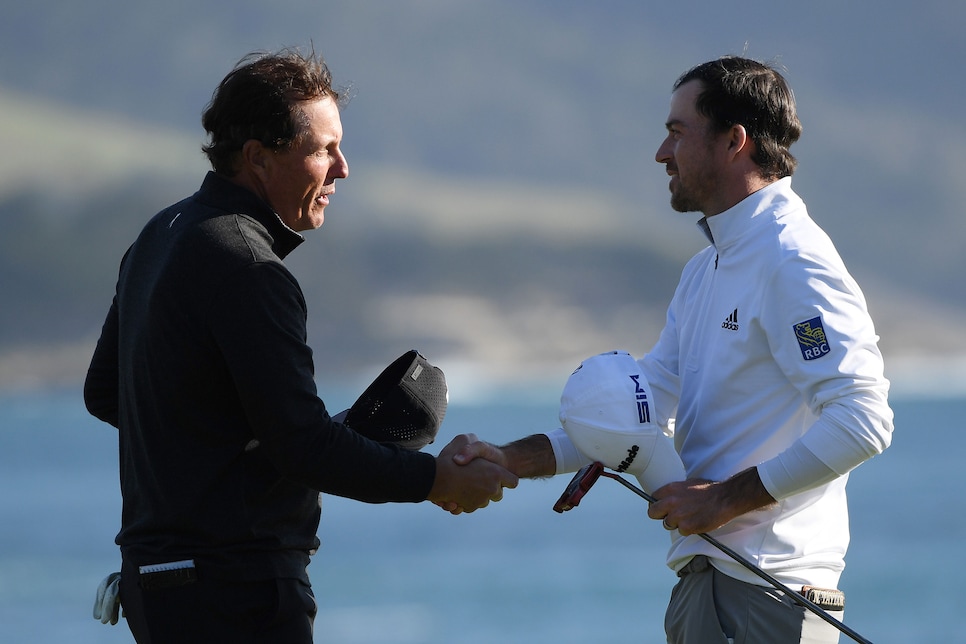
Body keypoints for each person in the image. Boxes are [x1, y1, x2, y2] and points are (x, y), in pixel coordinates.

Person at [83, 48, 517, 643]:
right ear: (257, 158)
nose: (342, 168)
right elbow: (303, 444)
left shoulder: (162, 232)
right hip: (234, 593)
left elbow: (106, 393)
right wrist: (433, 479)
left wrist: (229, 451)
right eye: (322, 150)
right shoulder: (249, 265)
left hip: (154, 585)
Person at [453, 55, 893, 643]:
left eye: (677, 133)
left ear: (735, 141)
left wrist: (727, 500)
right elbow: (637, 413)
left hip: (773, 596)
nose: (662, 154)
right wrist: (510, 457)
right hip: (705, 591)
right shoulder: (705, 270)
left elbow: (864, 420)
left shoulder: (794, 260)